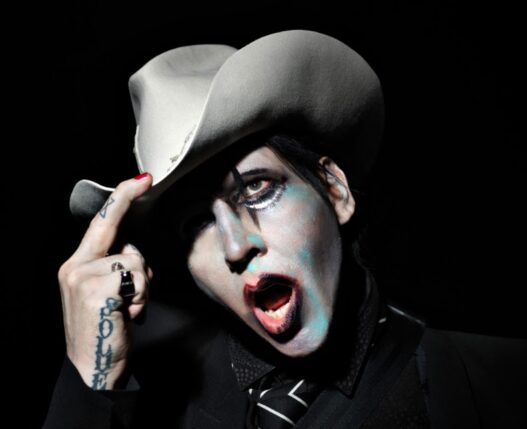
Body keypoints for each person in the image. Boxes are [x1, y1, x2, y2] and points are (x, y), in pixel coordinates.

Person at [44, 30, 526, 428]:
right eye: (198, 223)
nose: (235, 247)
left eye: (256, 189)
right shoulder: (153, 404)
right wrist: (92, 384)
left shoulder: (498, 386)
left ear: (335, 190)